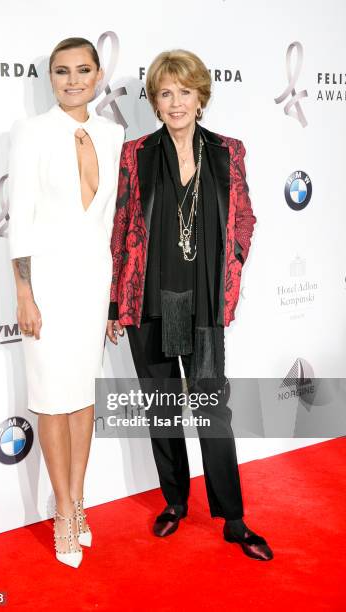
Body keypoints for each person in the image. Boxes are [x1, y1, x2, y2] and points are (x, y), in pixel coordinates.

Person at [107, 49, 273, 561]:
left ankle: (234, 518)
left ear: (201, 96)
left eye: (184, 91)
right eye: (165, 93)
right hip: (151, 300)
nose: (175, 102)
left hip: (200, 304)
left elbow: (243, 219)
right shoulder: (136, 154)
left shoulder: (227, 152)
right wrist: (116, 302)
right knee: (161, 410)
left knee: (211, 412)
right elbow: (120, 229)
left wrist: (234, 269)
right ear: (154, 102)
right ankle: (175, 503)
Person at [8, 37, 124, 568]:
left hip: (92, 283)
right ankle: (61, 512)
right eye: (61, 71)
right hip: (48, 285)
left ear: (99, 75)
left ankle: (77, 501)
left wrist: (108, 300)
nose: (72, 80)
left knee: (82, 397)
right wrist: (25, 294)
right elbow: (21, 220)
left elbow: (105, 225)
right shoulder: (31, 133)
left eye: (82, 70)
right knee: (53, 398)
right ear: (50, 78)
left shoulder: (114, 133)